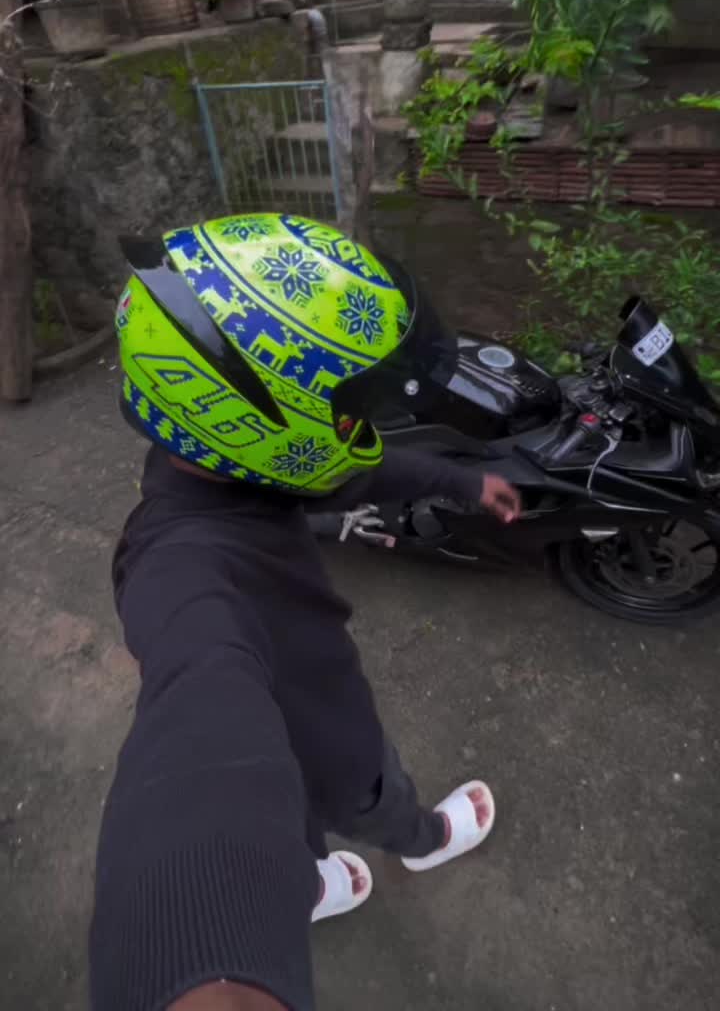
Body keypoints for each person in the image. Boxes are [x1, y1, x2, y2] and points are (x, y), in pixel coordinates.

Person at [90, 214, 521, 1011]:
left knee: (294, 838)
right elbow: (195, 740)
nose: (361, 427)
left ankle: (307, 885)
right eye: (352, 411)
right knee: (373, 793)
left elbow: (343, 472)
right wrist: (203, 972)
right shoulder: (178, 570)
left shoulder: (222, 460)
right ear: (262, 419)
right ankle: (423, 842)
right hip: (327, 738)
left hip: (290, 747)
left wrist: (460, 482)